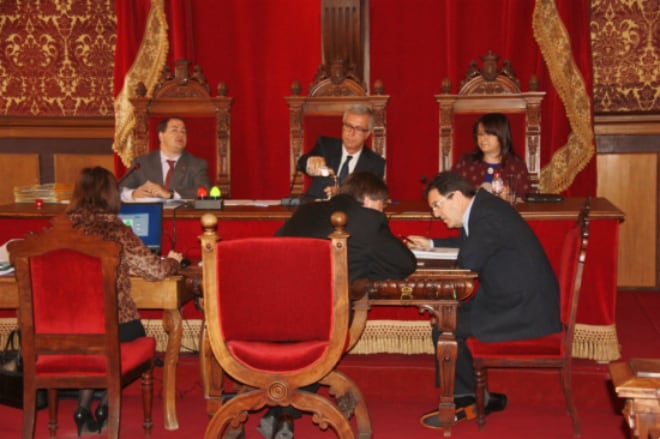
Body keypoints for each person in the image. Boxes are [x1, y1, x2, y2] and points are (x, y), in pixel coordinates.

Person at [256, 171, 417, 439]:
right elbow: (404, 264)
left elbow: (275, 249)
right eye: (383, 203)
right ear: (368, 199)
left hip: (274, 316)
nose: (383, 209)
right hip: (324, 326)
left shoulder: (306, 211)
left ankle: (281, 410)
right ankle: (283, 408)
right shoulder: (369, 218)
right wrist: (366, 271)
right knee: (322, 330)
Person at [405, 171, 561, 429]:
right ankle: (478, 397)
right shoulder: (482, 209)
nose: (435, 214)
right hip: (514, 299)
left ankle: (465, 402)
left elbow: (467, 263)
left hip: (523, 310)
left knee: (447, 326)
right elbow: (469, 247)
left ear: (454, 196)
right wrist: (431, 244)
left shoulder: (486, 216)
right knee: (448, 319)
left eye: (437, 205)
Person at [66, 167, 183, 435]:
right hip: (112, 325)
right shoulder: (115, 229)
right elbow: (153, 270)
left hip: (66, 326)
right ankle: (106, 406)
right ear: (110, 194)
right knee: (125, 333)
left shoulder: (59, 228)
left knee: (91, 337)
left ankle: (83, 408)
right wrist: (173, 263)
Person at [297, 105, 385, 200]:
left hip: (351, 213)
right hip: (317, 210)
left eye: (358, 129)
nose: (351, 133)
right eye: (348, 126)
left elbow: (369, 198)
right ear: (342, 126)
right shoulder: (325, 146)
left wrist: (340, 193)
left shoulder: (376, 163)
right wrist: (309, 162)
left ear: (367, 134)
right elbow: (301, 164)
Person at [119, 116, 211, 201]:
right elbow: (119, 188)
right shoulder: (141, 163)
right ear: (161, 136)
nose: (180, 134)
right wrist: (133, 194)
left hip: (179, 215)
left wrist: (171, 194)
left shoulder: (196, 164)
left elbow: (205, 190)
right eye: (174, 130)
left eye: (183, 131)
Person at [452, 113, 531, 201]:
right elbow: (450, 192)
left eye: (489, 134)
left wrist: (510, 198)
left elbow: (526, 199)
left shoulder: (517, 165)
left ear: (502, 135)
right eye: (480, 134)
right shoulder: (465, 162)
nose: (483, 139)